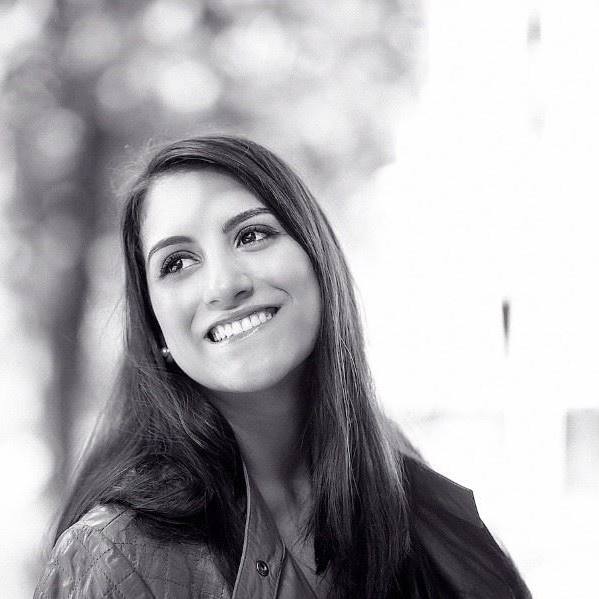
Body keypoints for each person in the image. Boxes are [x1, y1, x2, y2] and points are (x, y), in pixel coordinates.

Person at [35, 136, 531, 599]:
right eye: (177, 263)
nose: (224, 285)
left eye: (252, 235)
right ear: (156, 329)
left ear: (319, 261)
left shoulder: (395, 474)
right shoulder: (111, 557)